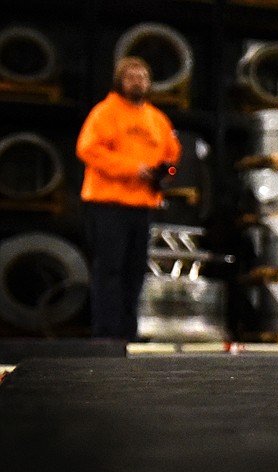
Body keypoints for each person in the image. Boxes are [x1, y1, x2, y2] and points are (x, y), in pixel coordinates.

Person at [77, 56, 181, 341]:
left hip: (142, 206)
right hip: (108, 204)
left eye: (143, 76)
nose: (138, 81)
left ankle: (128, 331)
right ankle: (106, 333)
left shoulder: (157, 118)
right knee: (109, 270)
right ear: (120, 81)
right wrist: (132, 169)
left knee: (134, 272)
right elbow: (88, 150)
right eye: (131, 76)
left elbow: (172, 154)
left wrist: (164, 174)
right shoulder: (105, 113)